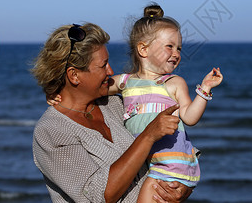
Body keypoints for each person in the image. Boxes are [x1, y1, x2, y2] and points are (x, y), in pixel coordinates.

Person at [49, 4, 223, 202]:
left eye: (179, 48)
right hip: (155, 165)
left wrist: (205, 89)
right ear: (143, 49)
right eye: (169, 46)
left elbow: (190, 118)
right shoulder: (126, 83)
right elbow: (95, 86)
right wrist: (56, 92)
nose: (176, 53)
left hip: (171, 164)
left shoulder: (173, 83)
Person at [32, 22, 193, 202]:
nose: (111, 71)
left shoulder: (115, 104)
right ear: (74, 75)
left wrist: (182, 186)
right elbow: (96, 196)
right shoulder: (52, 131)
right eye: (103, 65)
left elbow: (176, 146)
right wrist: (148, 136)